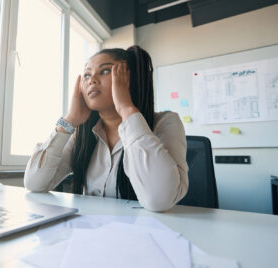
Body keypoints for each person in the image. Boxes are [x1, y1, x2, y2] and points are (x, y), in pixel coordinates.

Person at [24, 46, 188, 212]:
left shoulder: (166, 122)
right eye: (87, 75)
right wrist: (69, 120)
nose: (92, 80)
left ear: (129, 79)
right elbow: (34, 183)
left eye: (104, 71)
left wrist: (126, 108)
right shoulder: (82, 135)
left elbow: (159, 200)